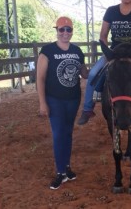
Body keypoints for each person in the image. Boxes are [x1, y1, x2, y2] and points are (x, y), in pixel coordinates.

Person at [37, 16, 89, 190]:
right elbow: (40, 78)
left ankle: (66, 166)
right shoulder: (47, 51)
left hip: (73, 98)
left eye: (69, 30)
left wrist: (97, 68)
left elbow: (84, 74)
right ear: (56, 30)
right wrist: (42, 103)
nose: (65, 33)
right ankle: (60, 172)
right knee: (59, 133)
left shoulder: (77, 51)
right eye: (62, 30)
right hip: (54, 99)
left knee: (67, 133)